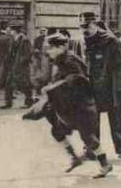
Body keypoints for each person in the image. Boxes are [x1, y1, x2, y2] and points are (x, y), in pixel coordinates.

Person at [22, 32, 113, 179]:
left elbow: (77, 78)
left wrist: (52, 87)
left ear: (62, 47)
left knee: (88, 137)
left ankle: (105, 164)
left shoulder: (69, 60)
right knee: (57, 131)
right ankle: (74, 158)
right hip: (68, 107)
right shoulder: (60, 60)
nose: (48, 51)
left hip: (81, 106)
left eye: (52, 48)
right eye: (48, 48)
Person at [80, 11, 121, 159]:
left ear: (95, 24)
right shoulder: (82, 41)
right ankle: (92, 149)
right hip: (91, 86)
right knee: (91, 120)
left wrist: (119, 87)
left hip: (110, 87)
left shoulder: (110, 41)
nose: (84, 30)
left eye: (87, 26)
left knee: (116, 119)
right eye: (81, 27)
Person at [1, 23, 34, 109]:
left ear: (15, 31)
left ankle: (29, 101)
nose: (10, 31)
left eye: (11, 30)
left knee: (25, 84)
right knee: (8, 84)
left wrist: (21, 61)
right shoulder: (13, 40)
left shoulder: (25, 40)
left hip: (22, 67)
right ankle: (8, 103)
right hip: (13, 66)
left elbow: (28, 54)